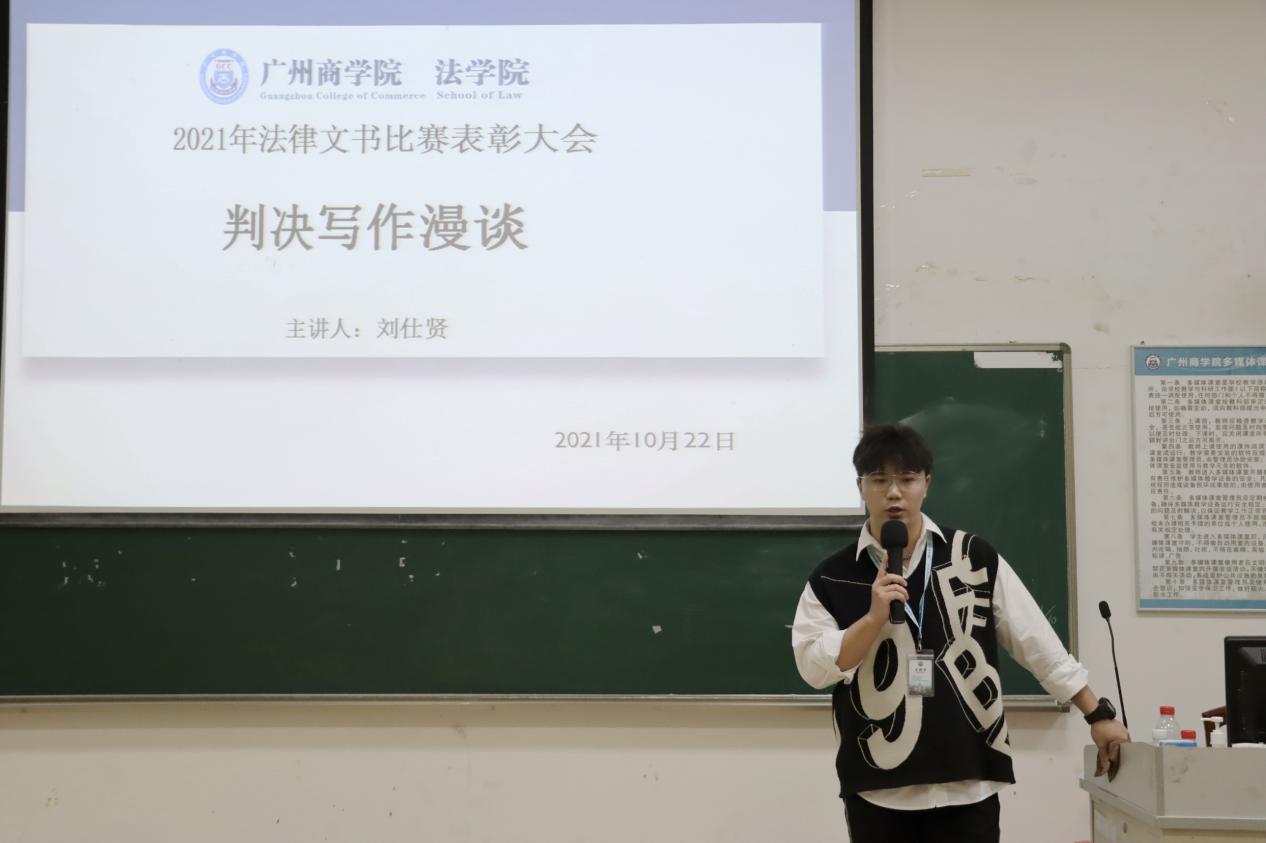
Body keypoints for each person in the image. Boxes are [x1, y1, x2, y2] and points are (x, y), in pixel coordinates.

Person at [791, 424, 1129, 843]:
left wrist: (1097, 715)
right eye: (879, 480)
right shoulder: (832, 576)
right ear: (860, 487)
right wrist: (872, 619)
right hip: (878, 789)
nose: (894, 493)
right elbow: (814, 667)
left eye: (907, 479)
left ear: (926, 484)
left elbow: (1036, 641)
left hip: (969, 781)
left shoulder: (973, 558)